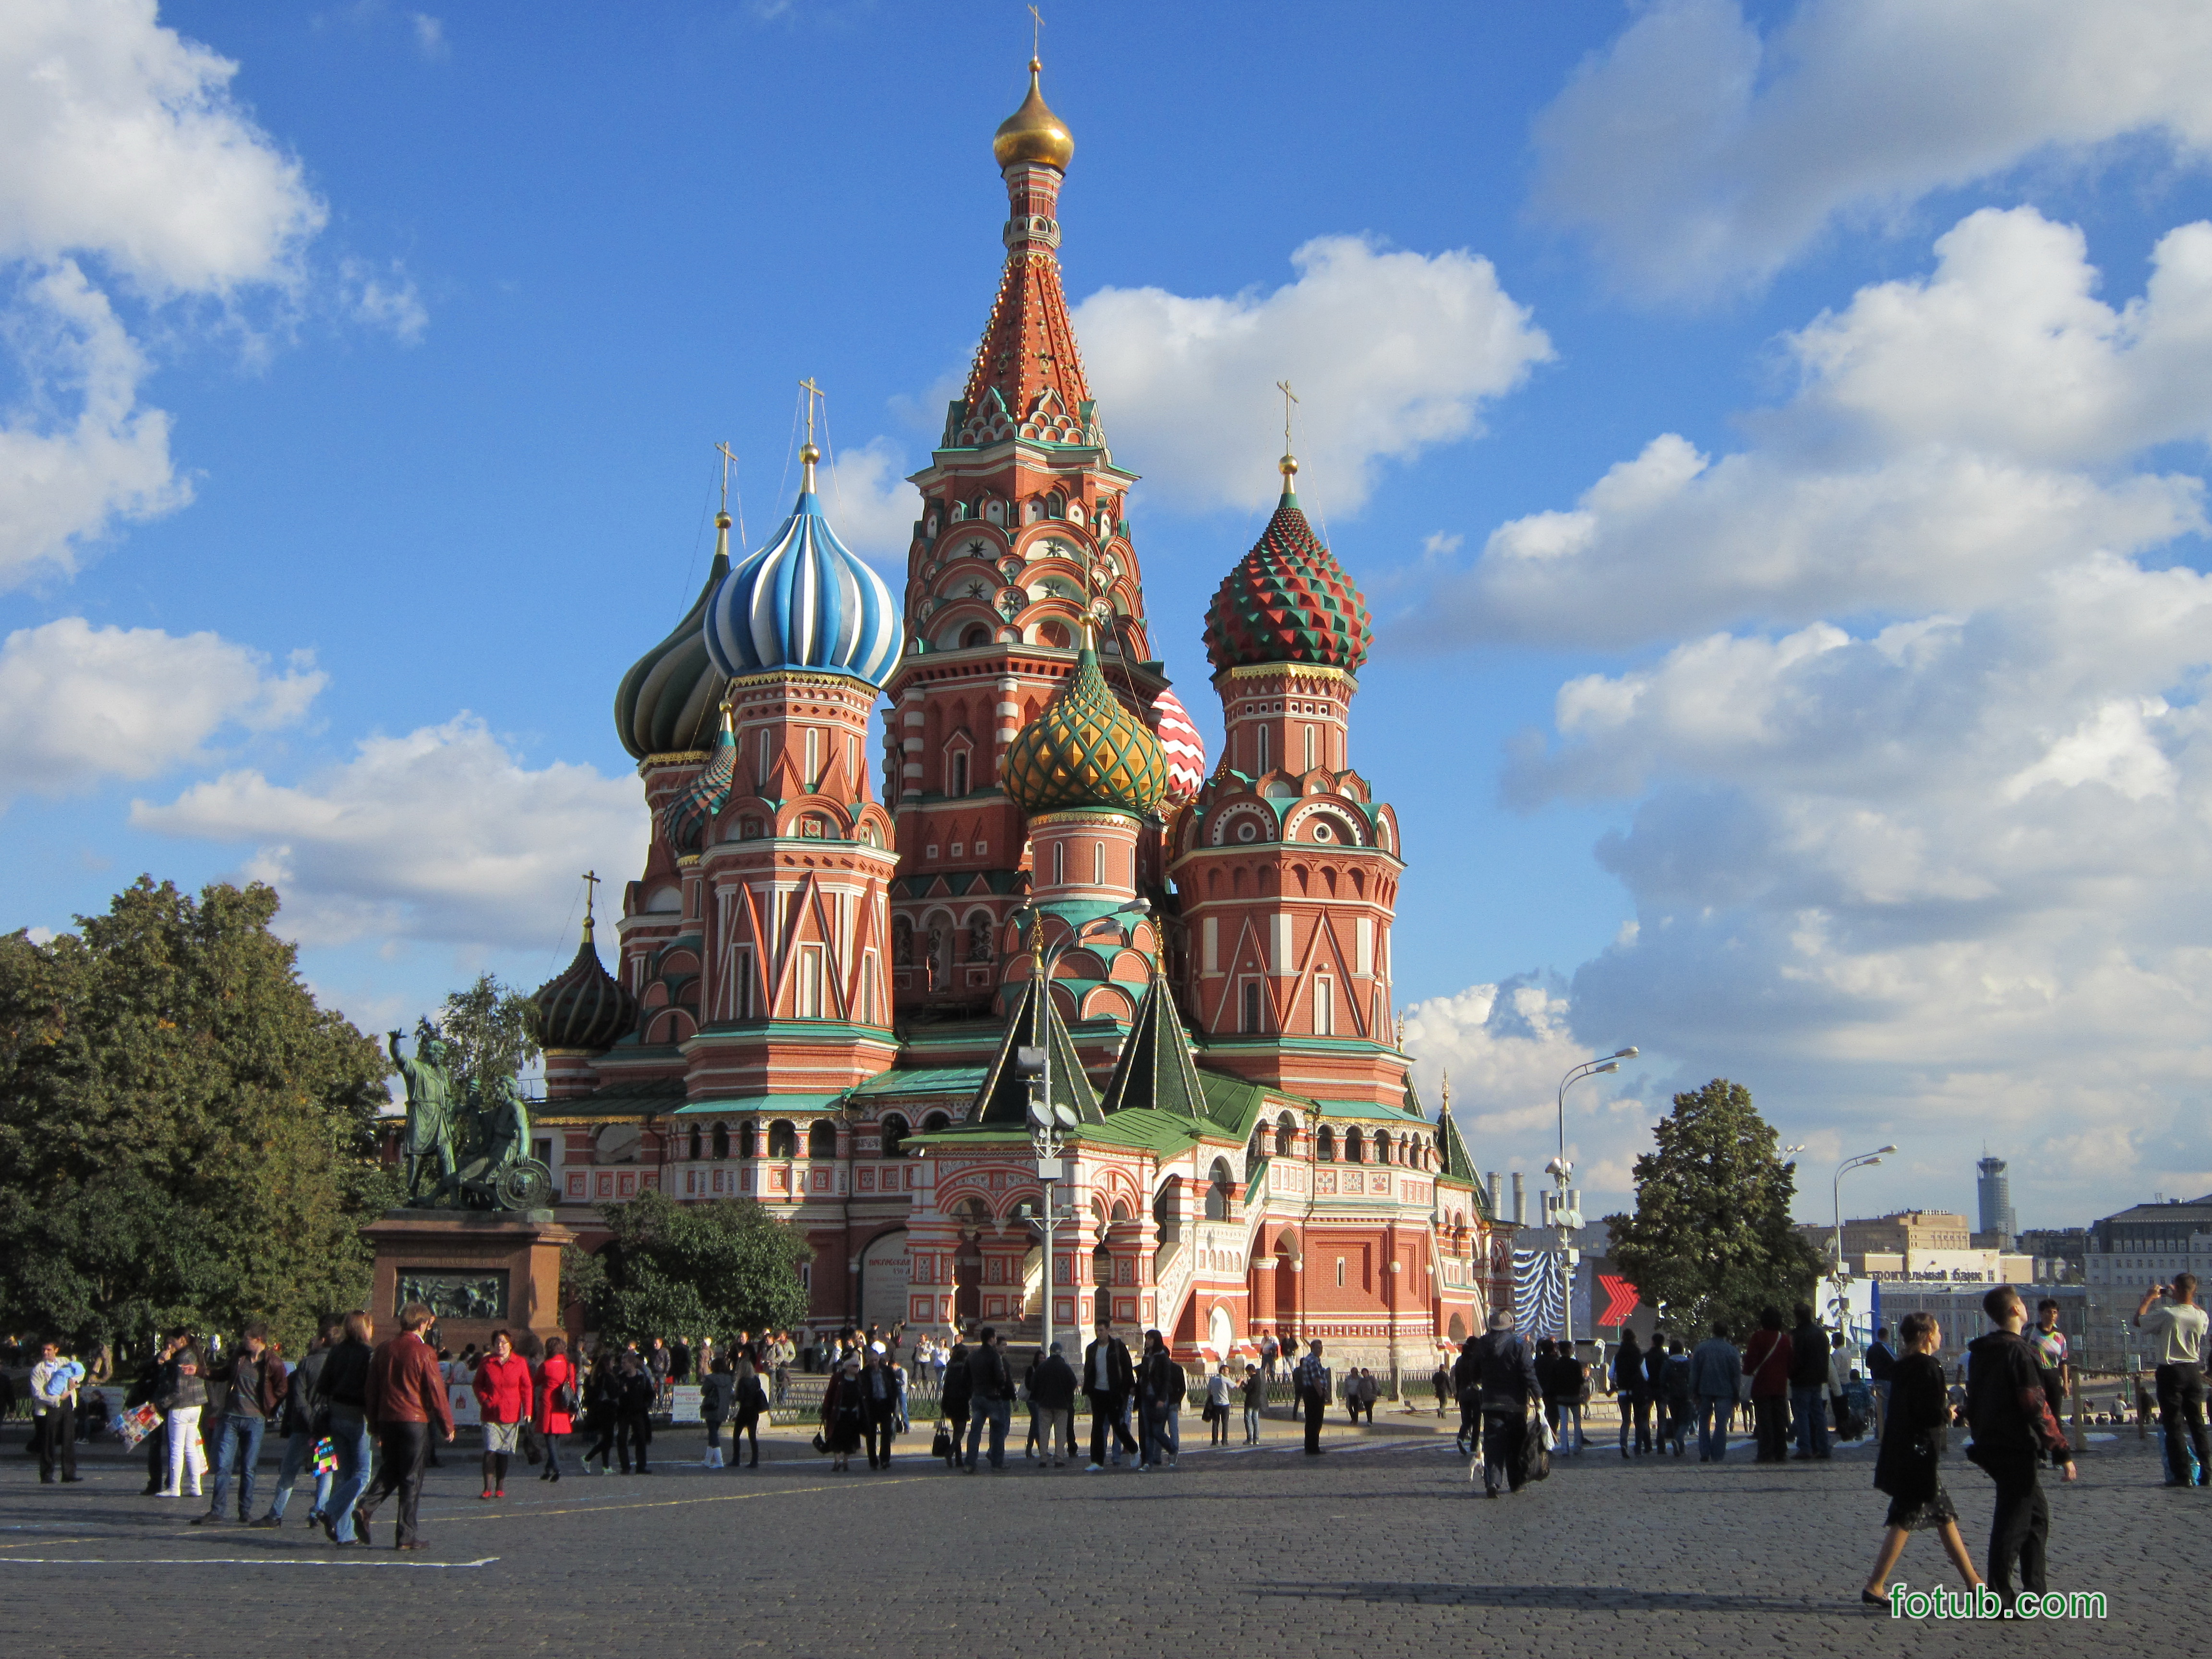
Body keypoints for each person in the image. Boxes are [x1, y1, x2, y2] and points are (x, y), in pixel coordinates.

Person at [1862, 1311, 1986, 1605]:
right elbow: (1927, 1414)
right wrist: (1949, 1412)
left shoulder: (1902, 1366)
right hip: (1917, 1455)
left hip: (1901, 1450)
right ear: (1928, 1335)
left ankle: (1974, 1582)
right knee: (1907, 1517)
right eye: (1939, 1330)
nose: (1941, 1336)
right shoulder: (1929, 1367)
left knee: (1943, 1515)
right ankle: (1875, 1585)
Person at [1966, 1286, 2077, 1610]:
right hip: (2015, 1444)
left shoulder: (1981, 1352)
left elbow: (1975, 1400)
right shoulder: (2019, 1353)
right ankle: (2000, 1597)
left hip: (1990, 1442)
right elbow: (2036, 1407)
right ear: (2015, 1310)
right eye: (2022, 1304)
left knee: (2037, 1516)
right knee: (2012, 1523)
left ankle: (2036, 1589)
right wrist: (2061, 1452)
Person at [353, 1302, 455, 1550]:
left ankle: (366, 1508)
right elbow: (435, 1390)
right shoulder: (424, 1352)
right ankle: (406, 1534)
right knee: (411, 1477)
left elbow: (372, 1389)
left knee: (391, 1468)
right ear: (422, 1325)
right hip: (414, 1420)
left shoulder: (384, 1349)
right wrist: (446, 1424)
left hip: (388, 1419)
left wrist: (374, 1424)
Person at [195, 1322, 288, 1525]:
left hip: (255, 1420)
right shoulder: (240, 1357)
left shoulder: (273, 1363)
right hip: (231, 1417)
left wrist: (269, 1409)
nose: (244, 1342)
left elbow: (282, 1389)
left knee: (248, 1468)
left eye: (248, 1339)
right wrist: (201, 1371)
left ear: (259, 1341)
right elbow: (223, 1374)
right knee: (223, 1465)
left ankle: (245, 1511)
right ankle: (217, 1511)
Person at [256, 1317, 341, 1528]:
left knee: (289, 1470)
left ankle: (276, 1513)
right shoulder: (340, 1364)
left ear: (322, 1339)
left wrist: (308, 1418)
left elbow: (298, 1395)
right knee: (325, 1472)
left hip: (304, 1425)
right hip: (328, 1425)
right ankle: (319, 1511)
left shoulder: (308, 1363)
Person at [2135, 1274, 2211, 1486]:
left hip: (2171, 1371)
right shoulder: (2202, 1315)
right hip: (2194, 1372)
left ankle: (2182, 1475)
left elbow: (2139, 1321)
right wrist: (2182, 1296)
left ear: (2175, 1288)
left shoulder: (2168, 1313)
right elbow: (2193, 1308)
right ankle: (2207, 1471)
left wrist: (2149, 1298)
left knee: (2174, 1424)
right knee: (2197, 1423)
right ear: (2194, 1291)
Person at [1470, 1309, 1541, 1498]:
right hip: (1515, 1404)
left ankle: (1493, 1482)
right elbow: (1528, 1373)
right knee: (1516, 1444)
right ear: (1511, 1325)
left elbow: (1474, 1371)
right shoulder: (1519, 1344)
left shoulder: (1482, 1343)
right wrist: (1538, 1398)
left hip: (1491, 1402)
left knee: (1493, 1444)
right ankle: (1516, 1482)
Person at [318, 1312, 374, 1544]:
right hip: (358, 1415)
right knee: (362, 1474)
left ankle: (345, 1533)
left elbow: (323, 1385)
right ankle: (330, 1509)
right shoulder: (368, 1354)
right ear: (364, 1328)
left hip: (335, 1413)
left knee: (344, 1475)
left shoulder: (336, 1351)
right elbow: (371, 1390)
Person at [471, 1328, 531, 1499]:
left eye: (504, 1342)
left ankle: (500, 1486)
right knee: (491, 1449)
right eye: (497, 1342)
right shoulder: (487, 1362)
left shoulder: (520, 1363)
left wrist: (528, 1411)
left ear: (511, 1345)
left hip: (511, 1413)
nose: (500, 1345)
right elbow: (477, 1384)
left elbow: (527, 1388)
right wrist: (485, 1399)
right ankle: (487, 1488)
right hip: (491, 1412)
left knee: (504, 1452)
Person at [132, 1331, 192, 1494]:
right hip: (156, 1404)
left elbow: (179, 1379)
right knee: (155, 1445)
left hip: (172, 1405)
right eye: (167, 1345)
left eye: (172, 1344)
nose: (169, 1348)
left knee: (175, 1446)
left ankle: (171, 1481)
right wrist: (157, 1362)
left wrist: (170, 1363)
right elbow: (140, 1368)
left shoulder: (181, 1359)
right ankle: (154, 1482)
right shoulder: (161, 1357)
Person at [155, 1343, 210, 1498]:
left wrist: (162, 1404)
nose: (169, 1346)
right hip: (196, 1406)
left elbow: (178, 1390)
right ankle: (195, 1486)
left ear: (181, 1340)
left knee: (177, 1450)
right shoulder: (195, 1355)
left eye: (172, 1342)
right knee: (191, 1448)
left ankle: (174, 1487)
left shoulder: (184, 1358)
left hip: (181, 1408)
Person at [1082, 1320, 1137, 1471]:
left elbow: (1127, 1368)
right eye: (1097, 1331)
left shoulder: (1117, 1347)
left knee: (1118, 1426)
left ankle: (1134, 1449)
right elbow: (1089, 1370)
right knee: (1097, 1428)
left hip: (1114, 1393)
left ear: (1108, 1330)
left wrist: (1130, 1387)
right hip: (1098, 1392)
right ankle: (1097, 1462)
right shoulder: (1092, 1349)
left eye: (1101, 1330)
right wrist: (1089, 1390)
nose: (1099, 1334)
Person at [29, 1339, 83, 1485]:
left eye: (49, 1350)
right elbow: (37, 1393)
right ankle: (47, 1474)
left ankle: (69, 1473)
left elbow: (78, 1372)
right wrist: (56, 1398)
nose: (46, 1353)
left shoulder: (64, 1362)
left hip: (68, 1403)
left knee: (68, 1439)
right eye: (43, 1350)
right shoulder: (38, 1369)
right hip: (49, 1406)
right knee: (49, 1440)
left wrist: (75, 1382)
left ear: (56, 1350)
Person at [1743, 1307, 1793, 1463]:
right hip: (1779, 1386)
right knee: (1780, 1421)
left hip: (1761, 1385)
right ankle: (1781, 1452)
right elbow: (1790, 1362)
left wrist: (1747, 1373)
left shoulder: (1757, 1337)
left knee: (1765, 1422)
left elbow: (1750, 1361)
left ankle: (1765, 1452)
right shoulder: (1784, 1339)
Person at [961, 1328, 1014, 1472]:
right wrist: (1000, 1387)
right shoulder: (995, 1356)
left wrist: (973, 1389)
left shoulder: (973, 1355)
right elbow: (1000, 1377)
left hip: (977, 1396)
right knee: (997, 1431)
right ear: (992, 1339)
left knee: (975, 1431)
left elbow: (965, 1376)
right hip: (992, 1396)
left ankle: (970, 1463)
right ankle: (997, 1462)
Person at [1689, 1322, 1743, 1463]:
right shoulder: (1732, 1351)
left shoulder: (1701, 1348)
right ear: (1726, 1333)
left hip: (1704, 1389)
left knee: (1704, 1420)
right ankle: (1718, 1454)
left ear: (1713, 1331)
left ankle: (1704, 1452)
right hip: (1725, 1391)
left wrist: (1693, 1391)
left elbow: (1695, 1373)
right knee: (1721, 1423)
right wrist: (1737, 1394)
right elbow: (1736, 1375)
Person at [2026, 1300, 2069, 1470]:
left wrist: (2065, 1383)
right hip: (2036, 1375)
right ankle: (2040, 1455)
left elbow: (2064, 1361)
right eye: (2048, 1312)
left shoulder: (2059, 1336)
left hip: (2053, 1376)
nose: (2051, 1316)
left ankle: (2059, 1456)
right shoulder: (2031, 1332)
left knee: (2056, 1417)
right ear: (2041, 1313)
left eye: (2054, 1312)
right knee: (2038, 1416)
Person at [1786, 1304, 1831, 1462]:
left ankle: (1805, 1447)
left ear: (1797, 1316)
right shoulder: (1821, 1334)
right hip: (1818, 1378)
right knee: (1818, 1414)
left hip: (1801, 1379)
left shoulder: (1796, 1335)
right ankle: (1824, 1447)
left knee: (1802, 1414)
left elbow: (1795, 1358)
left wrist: (1791, 1373)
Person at [1136, 1329, 1179, 1470]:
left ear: (1156, 1341)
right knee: (1147, 1431)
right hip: (1146, 1397)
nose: (1147, 1341)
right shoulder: (1146, 1357)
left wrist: (1162, 1398)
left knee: (1156, 1430)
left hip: (1158, 1398)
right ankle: (1147, 1462)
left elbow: (1166, 1380)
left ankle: (1172, 1448)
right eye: (1146, 1339)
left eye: (1150, 1339)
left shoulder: (1163, 1358)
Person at [1029, 1341, 1078, 1467]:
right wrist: (1067, 1396)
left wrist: (1039, 1397)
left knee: (1044, 1431)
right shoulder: (1065, 1368)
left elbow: (1034, 1384)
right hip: (1062, 1404)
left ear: (1050, 1352)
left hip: (1045, 1403)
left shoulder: (1042, 1367)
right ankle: (1059, 1458)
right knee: (1061, 1432)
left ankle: (1043, 1458)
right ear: (1061, 1352)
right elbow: (1073, 1383)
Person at [535, 1335, 575, 1483]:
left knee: (549, 1438)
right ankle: (548, 1469)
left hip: (548, 1403)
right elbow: (572, 1386)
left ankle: (557, 1468)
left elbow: (536, 1381)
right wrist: (572, 1410)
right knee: (556, 1438)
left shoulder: (547, 1365)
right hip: (563, 1404)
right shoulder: (569, 1365)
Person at [861, 1343, 905, 1470]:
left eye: (875, 1360)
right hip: (872, 1405)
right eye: (871, 1361)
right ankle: (873, 1461)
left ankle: (885, 1460)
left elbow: (893, 1387)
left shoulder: (887, 1371)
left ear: (879, 1359)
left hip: (885, 1404)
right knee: (871, 1435)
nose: (874, 1363)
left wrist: (893, 1404)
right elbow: (863, 1389)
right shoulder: (865, 1373)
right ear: (868, 1361)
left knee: (886, 1434)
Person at [821, 1353, 866, 1472]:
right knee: (837, 1439)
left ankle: (846, 1462)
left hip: (853, 1415)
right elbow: (830, 1394)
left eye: (858, 1366)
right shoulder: (838, 1378)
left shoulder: (858, 1379)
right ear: (848, 1367)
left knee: (850, 1440)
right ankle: (837, 1462)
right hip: (839, 1414)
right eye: (855, 1366)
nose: (857, 1368)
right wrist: (826, 1411)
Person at [613, 1350, 656, 1474]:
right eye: (622, 1362)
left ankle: (641, 1466)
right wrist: (622, 1391)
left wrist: (646, 1405)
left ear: (632, 1364)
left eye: (625, 1363)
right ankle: (625, 1467)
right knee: (622, 1439)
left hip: (639, 1412)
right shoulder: (620, 1379)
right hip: (623, 1412)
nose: (623, 1365)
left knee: (641, 1440)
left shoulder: (641, 1378)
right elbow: (614, 1394)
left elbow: (650, 1394)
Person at [1612, 1330, 1647, 1458]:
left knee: (1626, 1420)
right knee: (1638, 1420)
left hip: (1622, 1392)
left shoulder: (1618, 1356)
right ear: (1634, 1340)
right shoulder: (1639, 1356)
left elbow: (1611, 1375)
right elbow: (1646, 1375)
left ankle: (1623, 1443)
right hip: (1637, 1391)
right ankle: (1638, 1448)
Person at [731, 1354, 769, 1469]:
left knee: (736, 1435)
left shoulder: (743, 1381)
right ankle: (755, 1460)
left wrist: (734, 1397)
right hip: (754, 1411)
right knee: (752, 1436)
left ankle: (736, 1459)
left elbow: (741, 1397)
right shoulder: (756, 1379)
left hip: (744, 1410)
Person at [939, 1337, 972, 1469]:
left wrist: (944, 1403)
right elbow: (969, 1386)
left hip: (950, 1402)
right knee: (960, 1432)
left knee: (956, 1430)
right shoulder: (965, 1369)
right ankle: (950, 1451)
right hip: (961, 1401)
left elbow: (946, 1387)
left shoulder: (951, 1369)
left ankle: (958, 1459)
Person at [1294, 1340, 1331, 1455]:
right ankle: (1314, 1447)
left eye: (1321, 1348)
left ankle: (1309, 1446)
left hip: (1308, 1392)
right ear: (1312, 1348)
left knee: (1310, 1421)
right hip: (1314, 1393)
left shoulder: (1307, 1360)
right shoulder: (1314, 1361)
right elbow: (1316, 1380)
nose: (1320, 1351)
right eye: (1318, 1348)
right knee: (1316, 1421)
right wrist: (1322, 1395)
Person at [699, 1354, 734, 1468]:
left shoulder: (711, 1378)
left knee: (713, 1434)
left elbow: (704, 1391)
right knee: (713, 1433)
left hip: (711, 1408)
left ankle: (720, 1461)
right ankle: (707, 1460)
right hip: (723, 1409)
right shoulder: (729, 1379)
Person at [1865, 1325, 1898, 1439]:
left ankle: (1879, 1432)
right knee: (1887, 1407)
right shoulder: (1886, 1348)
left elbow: (1868, 1365)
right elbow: (1895, 1362)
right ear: (1886, 1336)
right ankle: (1885, 1433)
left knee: (1879, 1408)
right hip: (1887, 1379)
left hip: (1876, 1379)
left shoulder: (1871, 1348)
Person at [1206, 1362, 1233, 1445]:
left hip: (1215, 1403)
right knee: (1225, 1423)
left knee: (1215, 1423)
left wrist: (1210, 1399)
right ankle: (1225, 1441)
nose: (1228, 1373)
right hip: (1225, 1404)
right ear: (1222, 1371)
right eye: (1227, 1371)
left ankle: (1214, 1441)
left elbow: (1209, 1390)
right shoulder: (1225, 1379)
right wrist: (1241, 1380)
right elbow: (1235, 1385)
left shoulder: (1213, 1379)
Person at [1240, 1362, 1266, 1446]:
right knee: (1256, 1421)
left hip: (1250, 1402)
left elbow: (1247, 1390)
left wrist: (1242, 1385)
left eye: (1248, 1372)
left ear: (1251, 1371)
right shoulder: (1259, 1379)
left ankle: (1250, 1439)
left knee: (1248, 1420)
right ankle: (1256, 1439)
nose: (1248, 1374)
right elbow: (1251, 1388)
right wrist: (1245, 1384)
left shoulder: (1252, 1380)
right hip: (1257, 1403)